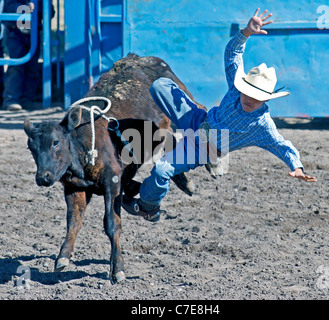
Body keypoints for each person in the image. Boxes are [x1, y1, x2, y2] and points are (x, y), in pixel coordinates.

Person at [122, 8, 317, 222]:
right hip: (199, 119)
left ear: (267, 99)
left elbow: (282, 145)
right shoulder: (236, 89)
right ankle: (176, 138)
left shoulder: (263, 127)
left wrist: (296, 166)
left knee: (161, 170)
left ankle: (149, 207)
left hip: (207, 146)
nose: (249, 99)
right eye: (247, 92)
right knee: (160, 85)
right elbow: (232, 54)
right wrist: (246, 33)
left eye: (256, 96)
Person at [2, 0, 53, 111]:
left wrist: (40, 7)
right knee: (16, 65)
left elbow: (50, 11)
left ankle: (28, 99)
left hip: (33, 32)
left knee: (32, 67)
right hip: (15, 31)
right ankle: (11, 100)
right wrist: (24, 8)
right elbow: (9, 6)